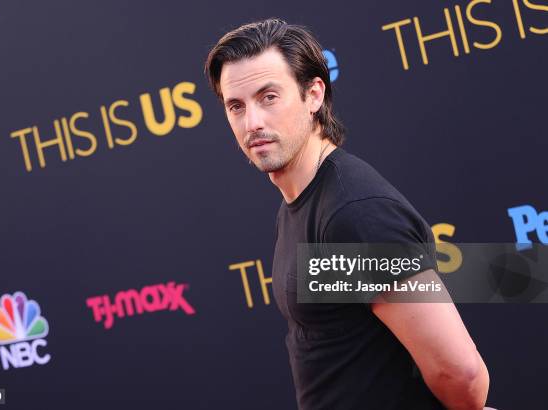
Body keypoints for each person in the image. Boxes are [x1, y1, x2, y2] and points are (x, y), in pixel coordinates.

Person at [204, 18, 489, 410]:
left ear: (313, 94)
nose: (252, 122)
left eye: (269, 97)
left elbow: (461, 374)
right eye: (236, 106)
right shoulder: (303, 201)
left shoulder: (354, 214)